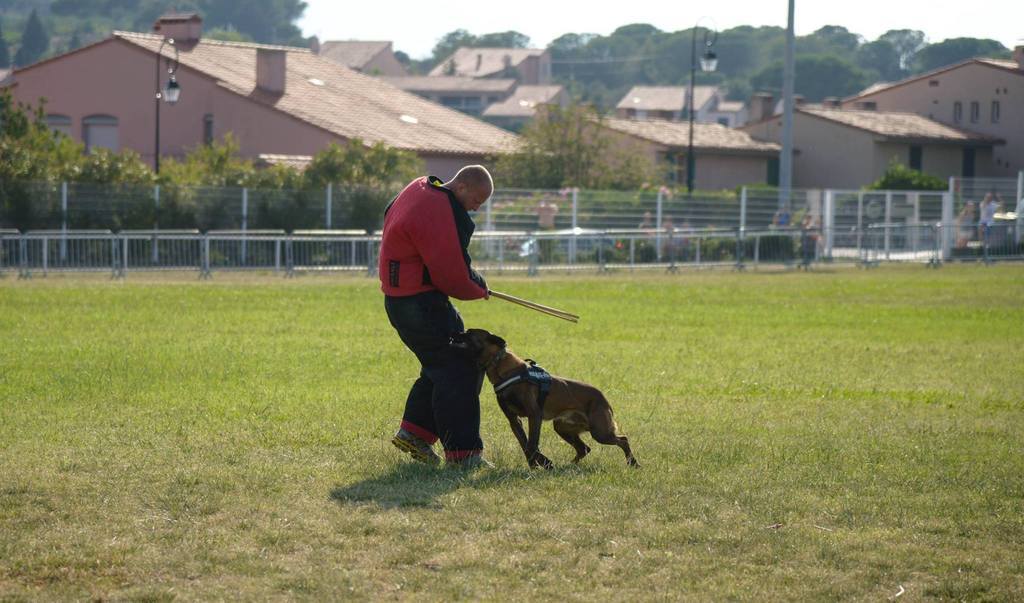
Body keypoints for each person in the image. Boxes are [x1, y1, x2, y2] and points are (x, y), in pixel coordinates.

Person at [379, 165, 493, 469]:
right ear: (464, 186)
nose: (475, 208)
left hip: (401, 300)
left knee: (439, 364)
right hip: (420, 303)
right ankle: (464, 454)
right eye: (476, 201)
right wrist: (478, 286)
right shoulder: (439, 208)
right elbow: (451, 274)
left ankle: (414, 433)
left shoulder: (420, 188)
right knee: (461, 366)